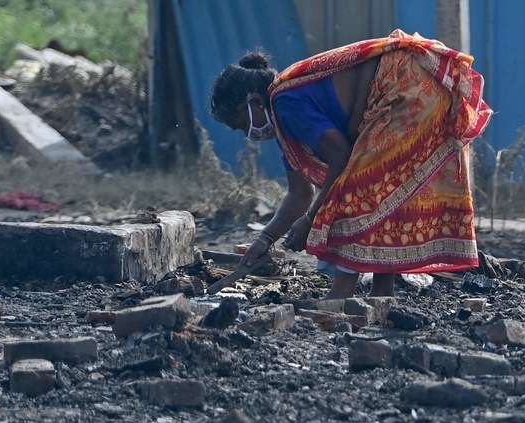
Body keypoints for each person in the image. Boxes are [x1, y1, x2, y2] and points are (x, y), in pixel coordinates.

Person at [209, 31, 493, 299]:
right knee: (384, 194)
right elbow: (300, 194)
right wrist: (264, 239)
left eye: (240, 125)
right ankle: (382, 294)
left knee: (355, 188)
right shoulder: (286, 118)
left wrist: (309, 221)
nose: (247, 135)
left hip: (407, 85)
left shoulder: (285, 102)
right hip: (416, 84)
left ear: (254, 103)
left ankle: (340, 296)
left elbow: (341, 159)